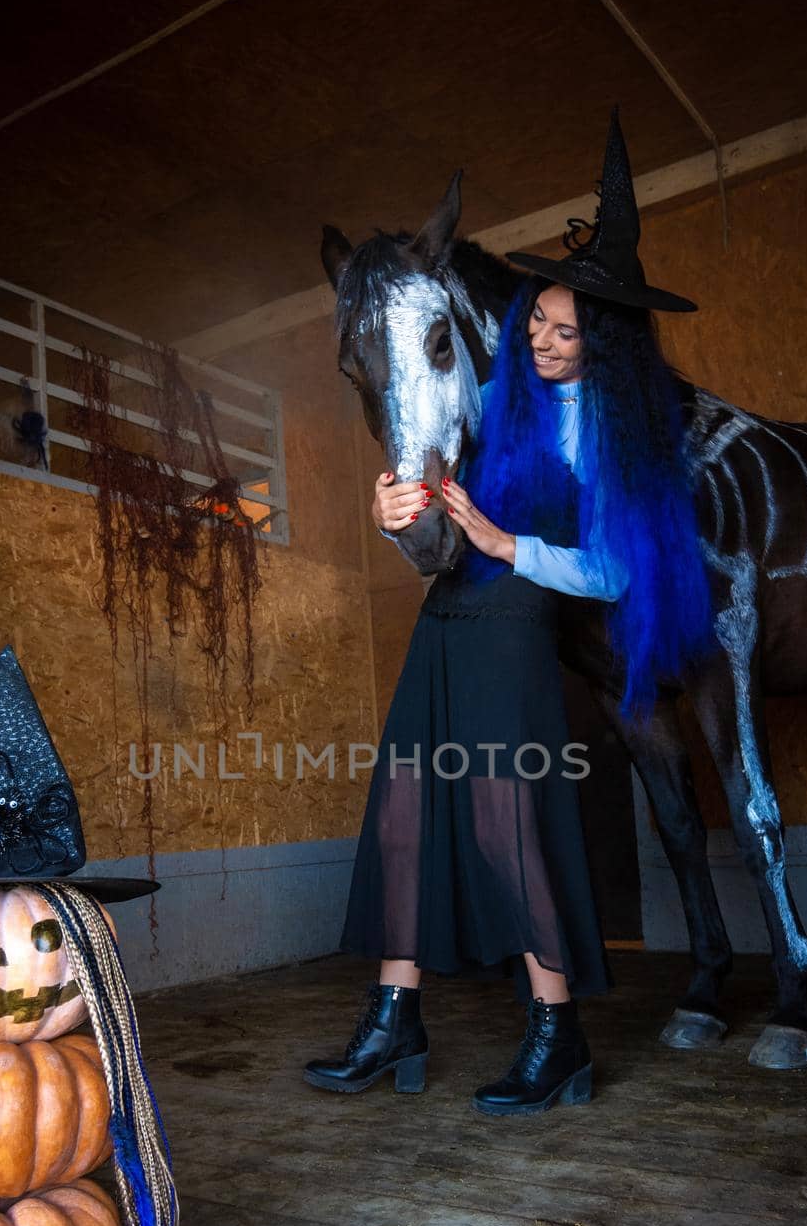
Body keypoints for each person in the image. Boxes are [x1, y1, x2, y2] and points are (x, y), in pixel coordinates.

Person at [304, 111, 714, 1116]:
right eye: (537, 318)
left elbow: (615, 570)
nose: (539, 336)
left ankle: (555, 1031)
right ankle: (392, 1016)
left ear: (600, 344)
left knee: (504, 821)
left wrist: (502, 545)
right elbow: (432, 458)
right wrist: (393, 510)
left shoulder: (617, 436)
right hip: (444, 620)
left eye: (564, 330)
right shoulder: (502, 397)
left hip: (514, 627)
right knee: (400, 813)